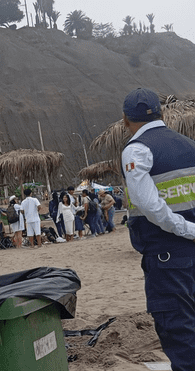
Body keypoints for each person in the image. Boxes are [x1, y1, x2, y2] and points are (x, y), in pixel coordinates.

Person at [120, 88, 195, 371]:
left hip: (167, 255)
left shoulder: (137, 150)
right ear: (162, 113)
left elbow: (150, 207)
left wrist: (188, 229)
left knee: (178, 327)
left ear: (125, 119)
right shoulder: (190, 145)